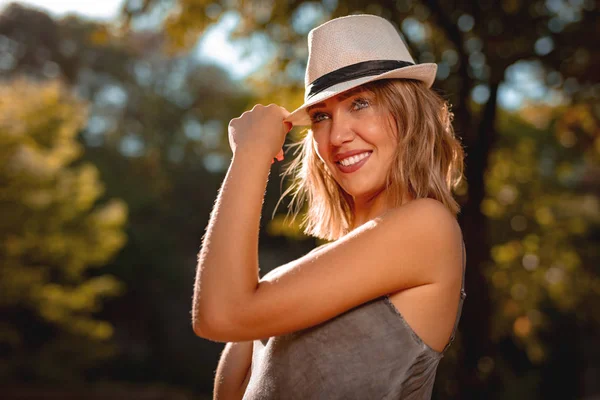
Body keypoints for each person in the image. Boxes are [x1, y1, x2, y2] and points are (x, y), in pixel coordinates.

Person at [193, 14, 467, 400]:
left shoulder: (427, 226)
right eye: (322, 116)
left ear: (408, 115)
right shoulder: (289, 281)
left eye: (361, 103)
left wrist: (251, 154)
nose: (337, 135)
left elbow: (220, 314)